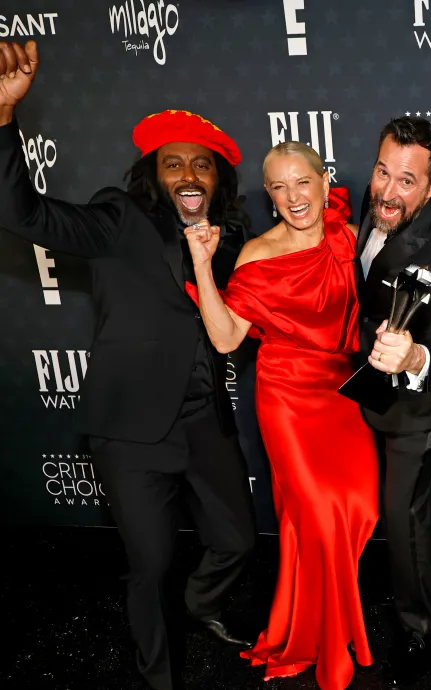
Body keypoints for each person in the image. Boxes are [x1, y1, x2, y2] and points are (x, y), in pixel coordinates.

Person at [0, 41, 255, 690]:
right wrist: (4, 118)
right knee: (152, 566)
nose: (190, 174)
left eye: (203, 165)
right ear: (155, 174)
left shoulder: (235, 242)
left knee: (237, 541)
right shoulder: (120, 219)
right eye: (175, 165)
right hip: (131, 431)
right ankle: (159, 677)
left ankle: (203, 606)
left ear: (219, 179)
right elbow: (21, 214)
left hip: (206, 421)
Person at [182, 142, 379, 689]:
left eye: (302, 182)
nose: (294, 197)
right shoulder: (258, 256)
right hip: (287, 397)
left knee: (356, 510)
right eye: (279, 187)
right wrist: (202, 265)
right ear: (268, 196)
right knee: (317, 516)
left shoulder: (349, 237)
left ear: (323, 181)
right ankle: (330, 638)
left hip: (343, 393)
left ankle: (319, 619)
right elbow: (225, 339)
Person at [354, 116, 431, 687]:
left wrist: (414, 358)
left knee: (399, 512)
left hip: (417, 402)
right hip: (370, 388)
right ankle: (430, 578)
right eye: (383, 172)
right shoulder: (371, 205)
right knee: (414, 510)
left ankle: (418, 624)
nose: (388, 190)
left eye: (407, 180)